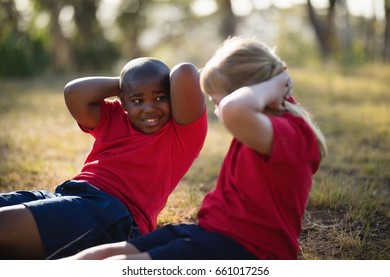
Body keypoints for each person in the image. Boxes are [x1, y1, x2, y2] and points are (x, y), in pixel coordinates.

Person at [65, 36, 328, 260]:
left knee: (118, 265)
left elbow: (233, 110)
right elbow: (194, 80)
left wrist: (271, 83)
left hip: (247, 251)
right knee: (96, 257)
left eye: (217, 100)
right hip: (210, 231)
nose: (215, 108)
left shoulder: (292, 134)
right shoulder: (271, 120)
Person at [0, 58, 207, 259]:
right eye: (138, 100)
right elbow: (74, 93)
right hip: (66, 194)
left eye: (160, 97)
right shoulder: (115, 116)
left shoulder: (181, 136)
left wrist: (137, 84)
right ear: (123, 101)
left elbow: (185, 72)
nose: (149, 108)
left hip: (112, 214)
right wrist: (126, 82)